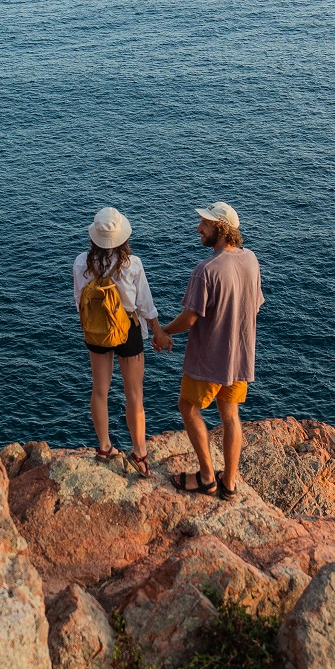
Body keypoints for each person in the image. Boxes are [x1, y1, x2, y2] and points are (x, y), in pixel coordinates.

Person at [159, 202, 262, 499]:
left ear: (220, 228)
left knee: (188, 407)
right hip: (240, 357)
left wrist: (163, 331)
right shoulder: (251, 260)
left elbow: (190, 318)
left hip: (209, 359)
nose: (198, 229)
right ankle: (229, 483)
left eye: (204, 224)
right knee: (230, 414)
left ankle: (206, 477)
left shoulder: (206, 270)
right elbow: (254, 304)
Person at [74, 207, 163, 476]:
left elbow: (79, 302)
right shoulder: (131, 264)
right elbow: (145, 306)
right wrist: (158, 332)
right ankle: (140, 453)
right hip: (129, 329)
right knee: (134, 394)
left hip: (97, 330)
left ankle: (104, 447)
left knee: (99, 390)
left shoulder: (81, 263)